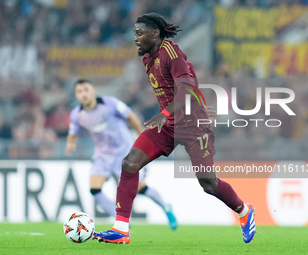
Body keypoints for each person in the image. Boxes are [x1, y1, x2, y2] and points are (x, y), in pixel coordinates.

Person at [94, 13, 256, 244]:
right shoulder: (148, 58)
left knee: (208, 183)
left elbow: (187, 89)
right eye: (134, 34)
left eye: (140, 33)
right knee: (129, 163)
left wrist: (166, 112)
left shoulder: (172, 52)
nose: (136, 38)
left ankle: (244, 211)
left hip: (192, 127)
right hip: (168, 126)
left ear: (155, 33)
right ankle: (121, 228)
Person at [65, 79, 177, 230]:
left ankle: (166, 207)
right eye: (79, 91)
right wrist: (71, 143)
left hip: (124, 153)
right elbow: (73, 133)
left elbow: (130, 115)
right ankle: (121, 219)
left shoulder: (109, 103)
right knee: (95, 189)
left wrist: (141, 135)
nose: (83, 94)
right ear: (76, 95)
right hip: (102, 155)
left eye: (86, 90)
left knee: (140, 188)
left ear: (92, 91)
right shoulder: (77, 114)